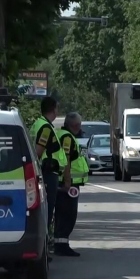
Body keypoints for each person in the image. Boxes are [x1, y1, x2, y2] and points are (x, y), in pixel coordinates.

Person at [29, 97, 70, 256]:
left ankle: (44, 247)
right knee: (48, 211)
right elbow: (38, 153)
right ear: (53, 109)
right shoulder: (45, 127)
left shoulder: (39, 124)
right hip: (47, 173)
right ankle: (44, 250)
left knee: (47, 211)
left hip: (47, 173)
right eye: (57, 108)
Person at [54, 112, 89, 257]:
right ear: (71, 125)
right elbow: (66, 159)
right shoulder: (67, 137)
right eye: (77, 125)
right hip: (69, 183)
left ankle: (59, 243)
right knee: (68, 214)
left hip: (66, 181)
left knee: (63, 214)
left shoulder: (62, 134)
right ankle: (62, 245)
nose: (79, 127)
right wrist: (68, 180)